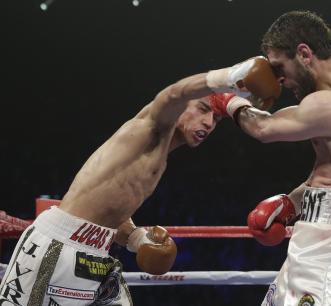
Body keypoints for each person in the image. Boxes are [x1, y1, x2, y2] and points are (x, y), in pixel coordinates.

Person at [0, 58, 280, 306]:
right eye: (203, 109)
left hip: (97, 256)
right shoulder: (147, 129)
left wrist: (136, 238)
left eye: (216, 118)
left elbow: (109, 208)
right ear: (183, 106)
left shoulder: (159, 156)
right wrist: (230, 76)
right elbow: (172, 94)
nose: (209, 122)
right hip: (56, 247)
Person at [212, 10, 331, 306]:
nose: (278, 80)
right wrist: (292, 203)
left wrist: (228, 100)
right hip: (325, 237)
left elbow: (263, 128)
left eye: (280, 68)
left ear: (304, 53)